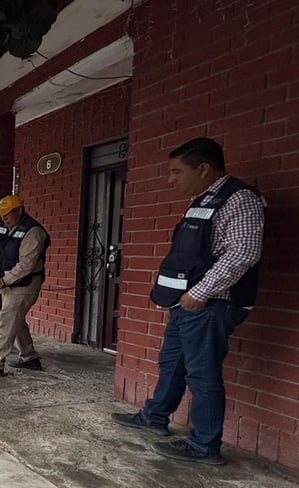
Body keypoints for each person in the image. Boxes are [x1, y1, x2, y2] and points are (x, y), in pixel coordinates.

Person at [112, 137, 264, 465]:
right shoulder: (203, 199)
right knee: (172, 362)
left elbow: (243, 252)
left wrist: (199, 293)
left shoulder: (239, 199)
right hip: (187, 303)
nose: (171, 179)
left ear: (204, 168)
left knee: (201, 372)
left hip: (211, 304)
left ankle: (204, 444)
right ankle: (155, 416)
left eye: (177, 172)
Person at [0, 195, 50, 378]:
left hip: (25, 284)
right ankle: (30, 357)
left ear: (19, 211)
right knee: (16, 319)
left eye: (7, 214)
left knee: (7, 321)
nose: (4, 218)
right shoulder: (3, 227)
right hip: (9, 283)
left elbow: (26, 265)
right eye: (2, 214)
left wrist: (2, 281)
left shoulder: (33, 232)